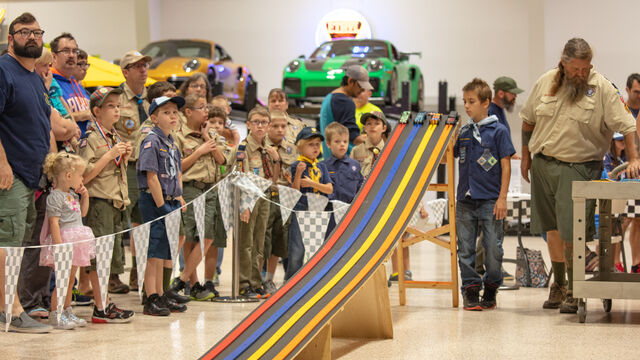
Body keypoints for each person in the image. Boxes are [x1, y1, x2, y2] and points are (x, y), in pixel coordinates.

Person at [520, 38, 640, 313]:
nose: (582, 74)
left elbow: (628, 124)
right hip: (543, 165)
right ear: (564, 63)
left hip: (578, 167)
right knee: (550, 228)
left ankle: (575, 290)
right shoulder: (546, 81)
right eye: (576, 69)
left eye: (586, 68)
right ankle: (559, 285)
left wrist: (634, 157)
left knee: (571, 232)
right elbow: (528, 121)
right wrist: (526, 158)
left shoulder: (601, 88)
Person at [0, 12, 54, 333]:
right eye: (24, 32)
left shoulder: (33, 76)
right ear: (10, 38)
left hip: (32, 176)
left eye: (36, 32)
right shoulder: (3, 71)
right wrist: (2, 163)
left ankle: (12, 303)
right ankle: (11, 309)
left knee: (18, 244)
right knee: (6, 243)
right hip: (11, 175)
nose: (32, 37)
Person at [455, 78, 515, 311]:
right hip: (465, 200)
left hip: (490, 199)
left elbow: (506, 165)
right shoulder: (465, 132)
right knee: (466, 248)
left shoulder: (498, 131)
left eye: (471, 102)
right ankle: (470, 290)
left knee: (492, 247)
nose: (467, 106)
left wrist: (502, 198)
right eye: (465, 101)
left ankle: (491, 286)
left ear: (486, 103)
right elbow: (448, 157)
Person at [78, 86, 135, 323]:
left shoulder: (114, 136)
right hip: (99, 204)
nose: (116, 110)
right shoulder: (90, 138)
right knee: (98, 259)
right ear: (96, 111)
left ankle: (105, 303)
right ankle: (100, 307)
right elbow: (84, 175)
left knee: (109, 259)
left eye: (118, 106)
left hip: (115, 204)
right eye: (110, 106)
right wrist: (108, 156)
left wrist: (125, 155)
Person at [167, 95, 228, 301]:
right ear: (188, 112)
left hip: (210, 188)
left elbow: (222, 160)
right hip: (190, 188)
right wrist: (199, 151)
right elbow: (177, 168)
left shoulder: (209, 133)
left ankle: (181, 280)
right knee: (190, 237)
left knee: (208, 236)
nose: (206, 112)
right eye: (202, 108)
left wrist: (205, 138)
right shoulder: (178, 136)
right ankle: (193, 284)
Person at [137, 95, 188, 316]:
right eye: (166, 112)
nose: (173, 116)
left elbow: (176, 174)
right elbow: (152, 178)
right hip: (154, 201)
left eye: (175, 112)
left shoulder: (171, 142)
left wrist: (179, 197)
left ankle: (161, 294)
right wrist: (161, 206)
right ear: (154, 118)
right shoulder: (152, 141)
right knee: (153, 253)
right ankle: (151, 298)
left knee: (164, 252)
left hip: (170, 201)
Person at [475, 76, 524, 280]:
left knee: (491, 223)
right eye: (512, 93)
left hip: (495, 177)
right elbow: (488, 145)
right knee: (494, 224)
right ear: (502, 93)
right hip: (493, 179)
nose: (515, 97)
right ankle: (492, 266)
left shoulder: (500, 111)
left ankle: (480, 265)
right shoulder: (492, 112)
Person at [40, 152, 95, 329]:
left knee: (71, 279)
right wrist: (59, 246)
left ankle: (67, 309)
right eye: (80, 175)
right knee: (62, 280)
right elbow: (54, 222)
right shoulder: (55, 196)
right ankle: (56, 314)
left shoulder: (73, 194)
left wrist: (85, 197)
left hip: (76, 240)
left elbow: (83, 213)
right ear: (69, 175)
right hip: (65, 241)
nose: (82, 178)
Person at [232, 106, 281, 298]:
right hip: (248, 200)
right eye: (256, 122)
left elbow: (273, 181)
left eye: (264, 123)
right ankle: (244, 284)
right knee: (246, 243)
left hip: (264, 197)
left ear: (268, 126)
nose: (260, 126)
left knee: (259, 242)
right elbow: (239, 178)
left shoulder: (267, 150)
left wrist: (276, 160)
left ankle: (255, 282)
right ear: (248, 124)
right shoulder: (243, 149)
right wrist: (244, 205)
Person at [115, 50, 152, 293]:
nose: (143, 69)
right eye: (136, 66)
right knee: (120, 221)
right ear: (125, 71)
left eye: (145, 65)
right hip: (123, 167)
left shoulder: (150, 100)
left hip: (146, 168)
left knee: (145, 223)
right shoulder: (116, 98)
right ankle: (113, 275)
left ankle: (140, 274)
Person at [286, 127, 333, 280]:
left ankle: (312, 281)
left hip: (319, 209)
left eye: (318, 144)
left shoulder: (321, 166)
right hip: (302, 208)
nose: (315, 148)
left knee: (316, 247)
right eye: (311, 144)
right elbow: (295, 191)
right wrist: (299, 174)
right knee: (297, 249)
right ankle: (290, 282)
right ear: (301, 146)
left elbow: (329, 188)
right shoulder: (296, 165)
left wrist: (312, 184)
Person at [263, 110, 298, 293]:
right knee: (263, 240)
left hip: (284, 198)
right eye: (275, 126)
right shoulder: (262, 146)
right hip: (266, 196)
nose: (279, 129)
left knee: (278, 241)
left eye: (283, 126)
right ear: (268, 126)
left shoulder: (291, 148)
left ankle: (269, 279)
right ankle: (256, 278)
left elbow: (290, 174)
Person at [319, 65, 369, 156]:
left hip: (329, 159)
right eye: (360, 86)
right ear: (350, 81)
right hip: (343, 162)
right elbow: (355, 138)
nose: (362, 90)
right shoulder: (345, 102)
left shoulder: (329, 97)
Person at [50, 32, 92, 136]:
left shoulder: (77, 84)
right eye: (66, 51)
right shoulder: (49, 84)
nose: (72, 55)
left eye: (75, 51)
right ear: (54, 56)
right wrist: (81, 115)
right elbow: (52, 119)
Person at [622, 74, 640, 274]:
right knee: (621, 220)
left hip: (638, 172)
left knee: (638, 219)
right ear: (627, 90)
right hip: (622, 170)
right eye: (636, 92)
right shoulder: (622, 111)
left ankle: (636, 263)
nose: (639, 96)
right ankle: (615, 264)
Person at [321, 122, 363, 204]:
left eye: (345, 141)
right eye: (337, 141)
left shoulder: (355, 165)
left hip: (350, 208)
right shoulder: (322, 166)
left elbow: (360, 189)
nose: (342, 144)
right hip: (329, 209)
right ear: (328, 144)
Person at [603, 132, 627, 272]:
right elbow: (607, 177)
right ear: (613, 142)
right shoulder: (607, 158)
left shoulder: (624, 158)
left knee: (616, 231)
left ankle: (612, 264)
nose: (622, 143)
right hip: (609, 199)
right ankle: (608, 263)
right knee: (608, 231)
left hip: (621, 197)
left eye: (624, 140)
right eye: (619, 140)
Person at [352, 111, 388, 178]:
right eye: (369, 124)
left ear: (384, 128)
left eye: (377, 123)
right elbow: (350, 175)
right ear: (364, 128)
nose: (372, 126)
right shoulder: (356, 150)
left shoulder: (389, 150)